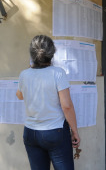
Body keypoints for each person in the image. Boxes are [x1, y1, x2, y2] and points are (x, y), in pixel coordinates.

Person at [16, 35, 80, 170]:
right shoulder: (58, 73)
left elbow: (20, 96)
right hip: (55, 131)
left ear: (32, 54)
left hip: (30, 132)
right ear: (52, 53)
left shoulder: (24, 74)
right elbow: (66, 106)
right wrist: (74, 131)